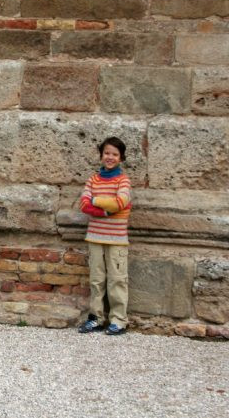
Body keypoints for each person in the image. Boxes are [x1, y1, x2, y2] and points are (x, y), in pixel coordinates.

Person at [77, 136, 132, 336]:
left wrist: (95, 200)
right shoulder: (93, 179)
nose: (110, 157)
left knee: (117, 280)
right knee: (96, 280)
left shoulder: (123, 180)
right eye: (107, 153)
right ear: (101, 155)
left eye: (115, 154)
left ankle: (119, 320)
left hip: (116, 239)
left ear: (121, 158)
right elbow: (84, 205)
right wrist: (107, 210)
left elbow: (121, 202)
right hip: (95, 237)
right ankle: (96, 318)